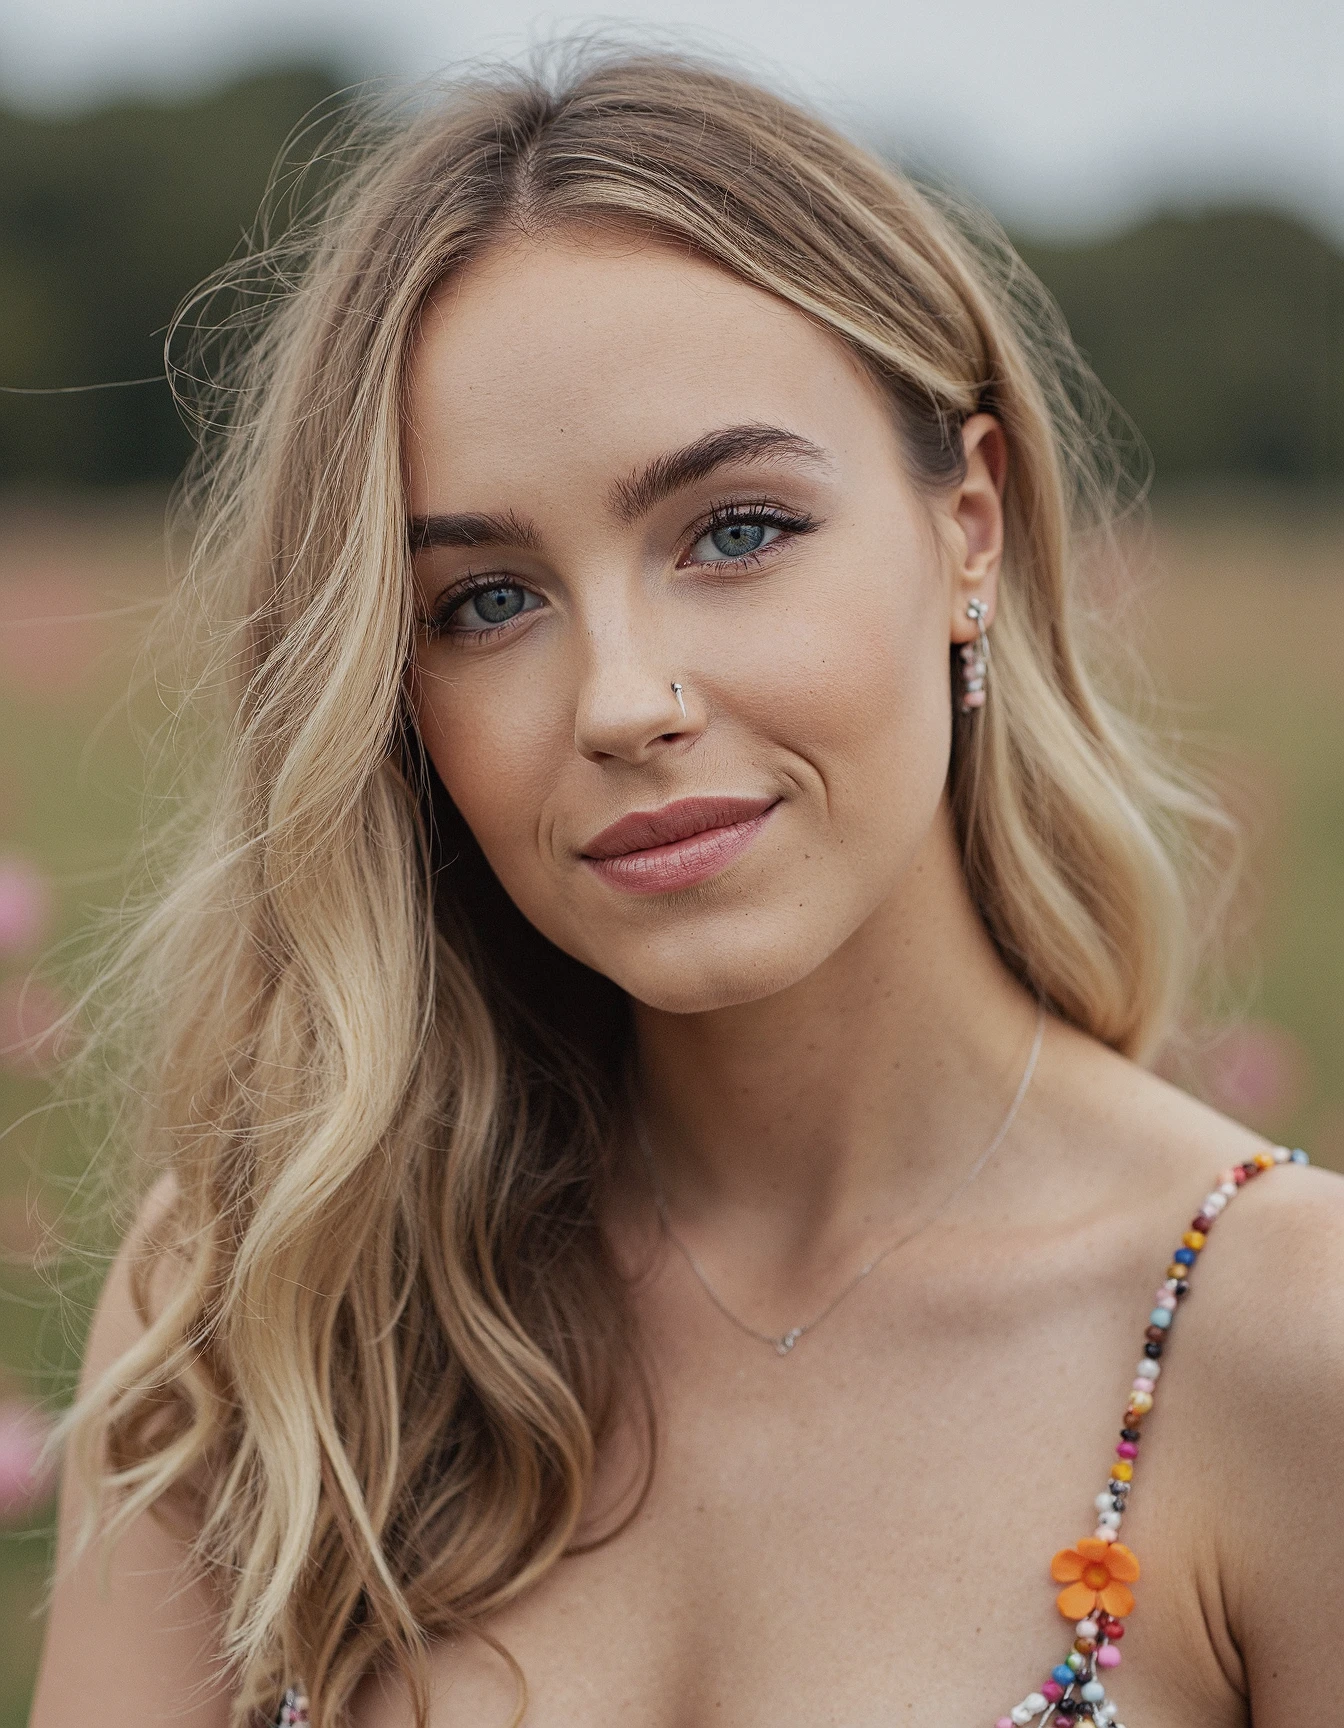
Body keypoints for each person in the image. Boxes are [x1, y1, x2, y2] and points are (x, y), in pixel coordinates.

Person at [29, 49, 1344, 1728]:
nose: (621, 699)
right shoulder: (272, 1305)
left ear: (970, 531)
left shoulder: (1285, 1345)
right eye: (488, 600)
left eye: (735, 531)